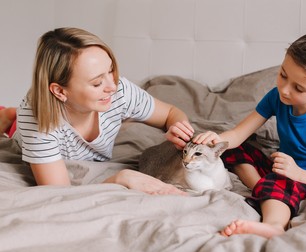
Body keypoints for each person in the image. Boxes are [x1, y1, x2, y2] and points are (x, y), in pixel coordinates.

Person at [193, 30, 306, 239]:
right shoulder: (277, 97)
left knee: (282, 182)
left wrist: (298, 174)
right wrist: (217, 140)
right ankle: (263, 187)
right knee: (231, 149)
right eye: (282, 75)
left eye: (298, 88)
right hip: (281, 167)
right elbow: (238, 133)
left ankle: (273, 225)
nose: (285, 90)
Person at [0, 27, 194, 195]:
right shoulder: (37, 121)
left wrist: (179, 129)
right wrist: (120, 178)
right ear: (60, 91)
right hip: (34, 129)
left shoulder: (121, 91)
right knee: (20, 127)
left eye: (111, 70)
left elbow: (170, 113)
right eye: (97, 82)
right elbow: (59, 194)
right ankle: (9, 117)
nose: (112, 86)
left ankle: (11, 114)